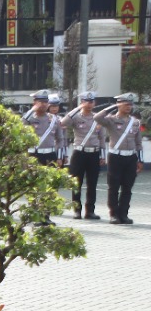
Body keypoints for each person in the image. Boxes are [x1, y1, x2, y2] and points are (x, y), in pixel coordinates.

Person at [97, 93, 143, 224]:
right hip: (115, 156)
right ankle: (114, 214)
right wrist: (112, 107)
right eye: (125, 104)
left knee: (127, 187)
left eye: (130, 104)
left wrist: (140, 160)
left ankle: (124, 214)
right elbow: (97, 117)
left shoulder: (135, 122)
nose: (129, 106)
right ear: (119, 104)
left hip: (130, 157)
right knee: (114, 186)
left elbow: (138, 142)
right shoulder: (111, 120)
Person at [63, 91, 105, 219]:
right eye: (86, 102)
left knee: (92, 184)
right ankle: (77, 210)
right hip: (79, 153)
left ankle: (90, 211)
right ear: (81, 102)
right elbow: (64, 122)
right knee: (76, 183)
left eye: (91, 102)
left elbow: (102, 138)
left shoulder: (97, 118)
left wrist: (102, 155)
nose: (89, 104)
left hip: (94, 153)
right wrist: (77, 109)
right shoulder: (76, 117)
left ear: (94, 103)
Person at [22, 89, 64, 168]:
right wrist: (32, 110)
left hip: (50, 156)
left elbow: (60, 139)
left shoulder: (54, 119)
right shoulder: (29, 118)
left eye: (46, 102)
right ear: (35, 102)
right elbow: (21, 124)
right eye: (41, 102)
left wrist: (59, 157)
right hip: (33, 155)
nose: (44, 104)